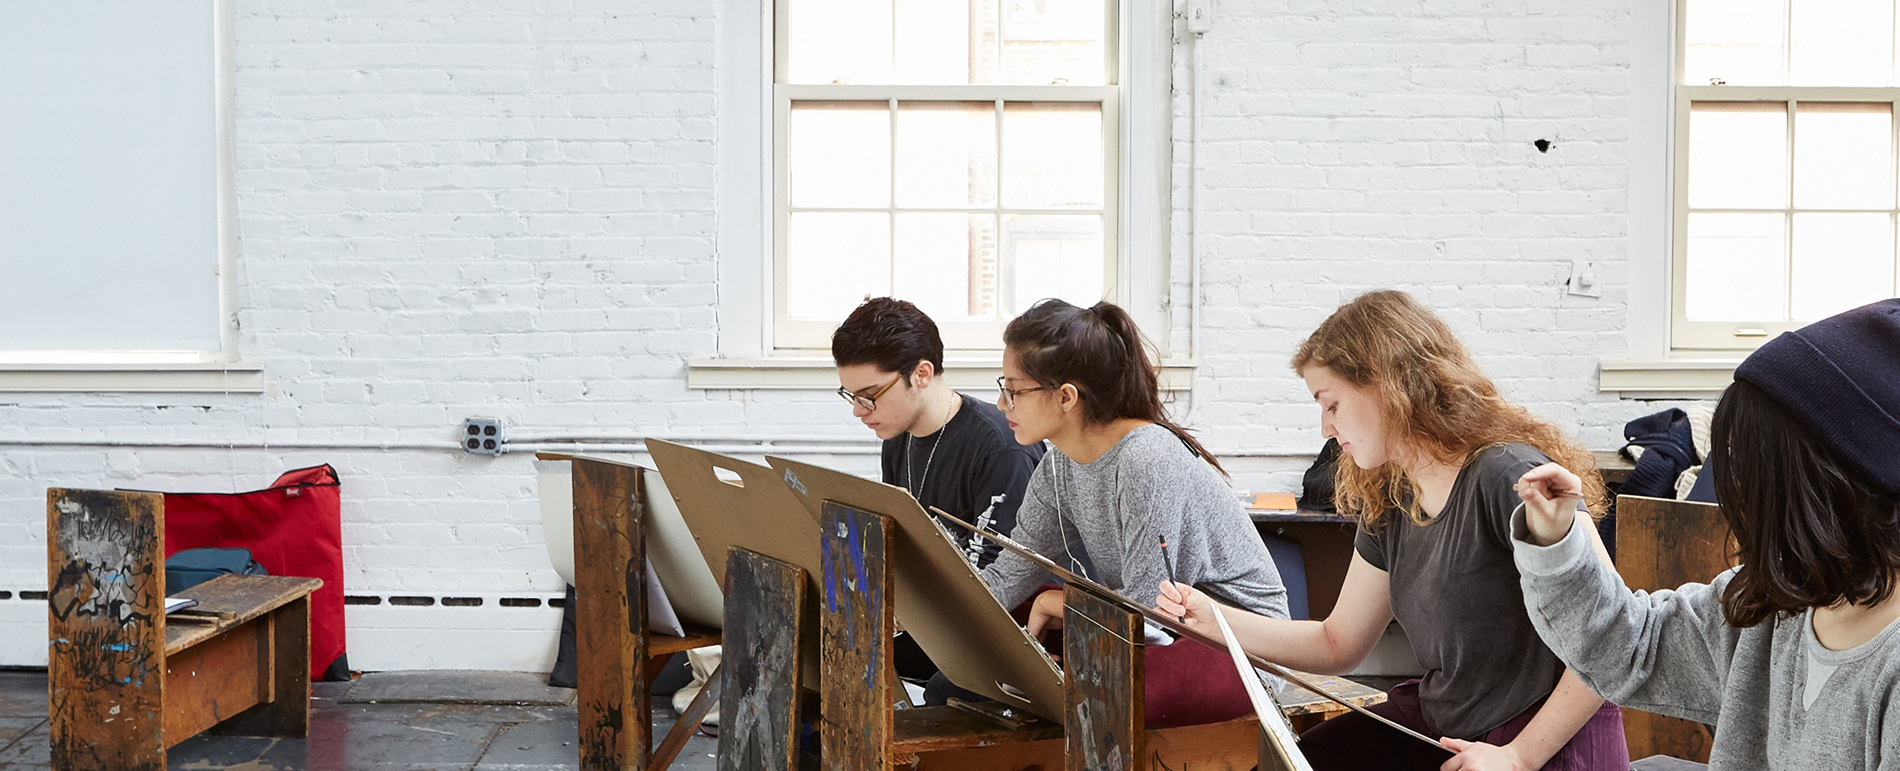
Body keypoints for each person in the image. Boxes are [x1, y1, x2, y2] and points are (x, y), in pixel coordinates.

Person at [1158, 290, 1627, 770]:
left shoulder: (1506, 474)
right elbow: (1337, 642)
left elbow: (1614, 634)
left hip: (1541, 741)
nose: (1325, 427)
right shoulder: (1392, 497)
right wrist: (1215, 621)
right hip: (1453, 728)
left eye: (1332, 404)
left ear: (1385, 386)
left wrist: (1518, 758)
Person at [1512, 298, 1900, 770]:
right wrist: (1558, 539)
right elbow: (1630, 648)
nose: (1734, 485)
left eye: (1754, 463)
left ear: (1830, 482)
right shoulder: (1773, 603)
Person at [963, 298, 1288, 728]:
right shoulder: (1057, 463)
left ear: (1065, 397)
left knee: (1107, 692)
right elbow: (1010, 575)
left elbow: (1149, 613)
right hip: (1150, 634)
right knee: (989, 638)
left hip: (1233, 645)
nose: (1002, 404)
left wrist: (1055, 602)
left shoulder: (1145, 460)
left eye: (1015, 390)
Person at [831, 297, 1045, 682]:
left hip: (997, 632)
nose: (859, 411)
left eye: (870, 395)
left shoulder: (1002, 448)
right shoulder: (897, 438)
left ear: (922, 374)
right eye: (852, 396)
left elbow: (998, 587)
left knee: (848, 662)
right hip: (935, 622)